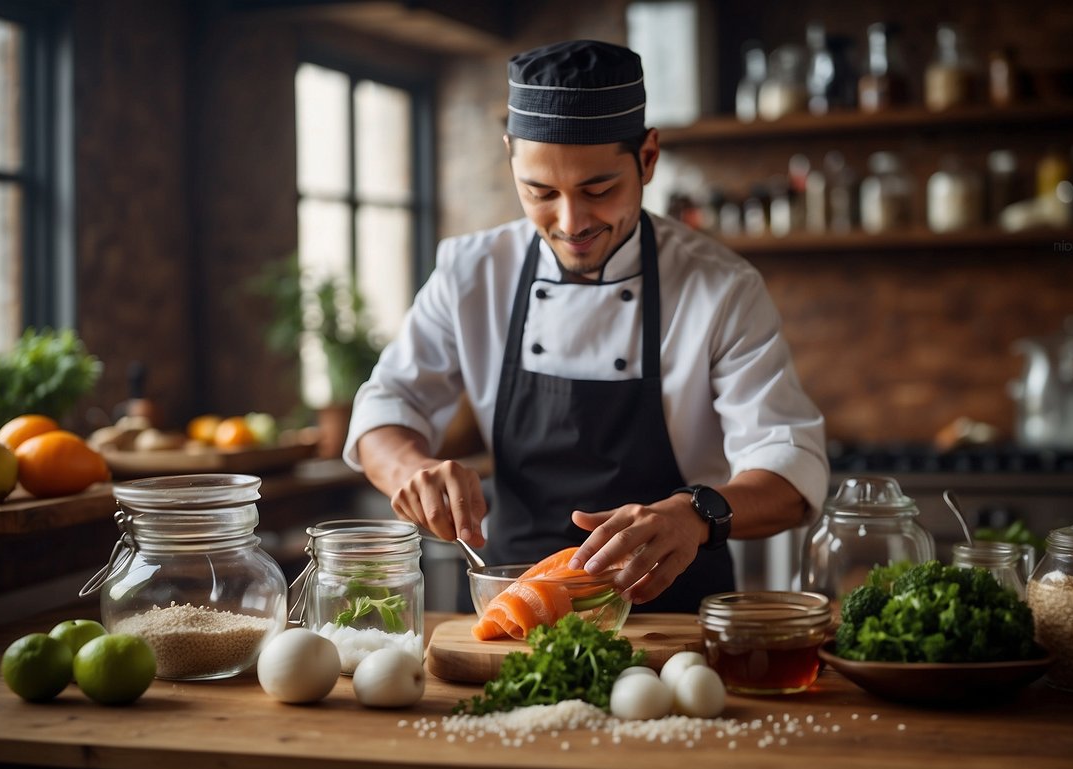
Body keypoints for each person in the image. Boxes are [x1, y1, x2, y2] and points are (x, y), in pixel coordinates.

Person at [344, 39, 828, 612]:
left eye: (599, 190)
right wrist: (413, 468)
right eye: (540, 192)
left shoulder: (720, 287)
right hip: (513, 609)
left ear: (648, 158)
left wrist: (694, 513)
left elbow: (793, 472)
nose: (571, 222)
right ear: (510, 157)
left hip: (677, 619)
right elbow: (384, 409)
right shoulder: (472, 272)